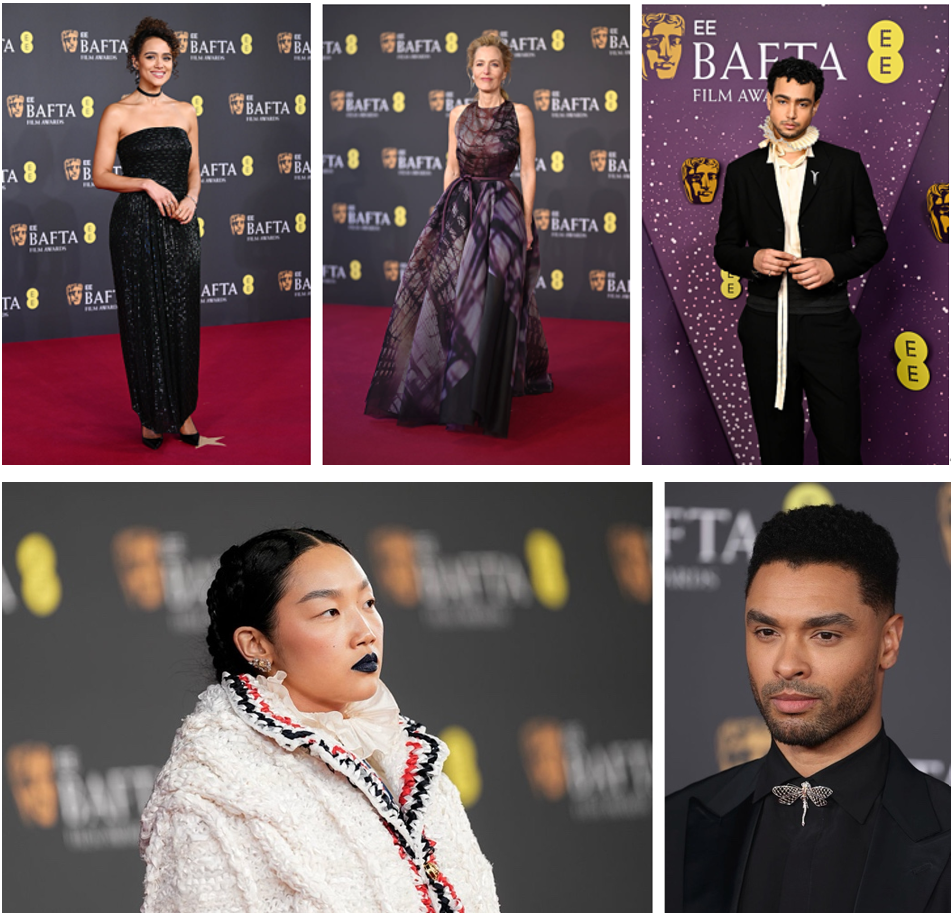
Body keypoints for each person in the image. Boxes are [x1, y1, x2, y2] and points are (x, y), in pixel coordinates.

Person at [140, 528, 499, 912]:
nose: (365, 632)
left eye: (369, 603)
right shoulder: (211, 788)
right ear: (256, 645)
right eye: (330, 611)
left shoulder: (405, 756)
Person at [666, 504, 950, 913]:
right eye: (766, 632)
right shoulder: (673, 829)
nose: (786, 665)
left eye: (825, 635)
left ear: (888, 643)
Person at [364, 34, 553, 438]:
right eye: (480, 64)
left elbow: (531, 170)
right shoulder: (457, 114)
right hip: (461, 206)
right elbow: (451, 166)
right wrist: (443, 209)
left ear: (506, 70)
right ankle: (455, 388)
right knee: (454, 295)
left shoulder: (520, 113)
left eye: (495, 64)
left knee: (494, 296)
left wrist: (527, 220)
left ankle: (487, 391)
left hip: (502, 207)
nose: (486, 71)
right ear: (471, 70)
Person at [714, 58, 888, 464]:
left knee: (842, 449)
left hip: (828, 323)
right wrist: (753, 258)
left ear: (816, 106)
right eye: (782, 101)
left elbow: (873, 241)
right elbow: (724, 248)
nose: (791, 113)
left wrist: (832, 266)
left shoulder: (844, 165)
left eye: (802, 103)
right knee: (777, 451)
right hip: (763, 325)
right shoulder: (742, 171)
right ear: (768, 100)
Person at [93, 17, 206, 451]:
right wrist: (144, 182)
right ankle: (150, 417)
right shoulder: (117, 112)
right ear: (135, 61)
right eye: (151, 57)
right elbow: (101, 176)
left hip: (179, 223)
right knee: (142, 321)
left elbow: (194, 170)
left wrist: (192, 199)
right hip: (135, 226)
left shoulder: (186, 111)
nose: (159, 65)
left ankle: (184, 411)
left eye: (166, 58)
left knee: (182, 319)